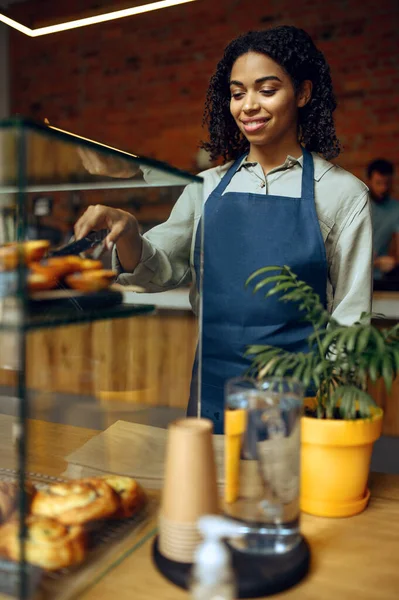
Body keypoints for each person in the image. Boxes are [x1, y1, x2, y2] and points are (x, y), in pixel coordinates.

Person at [75, 26, 373, 434]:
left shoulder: (342, 193)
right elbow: (160, 268)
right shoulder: (206, 187)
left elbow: (351, 320)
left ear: (303, 94)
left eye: (266, 90)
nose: (248, 105)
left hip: (302, 398)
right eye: (237, 93)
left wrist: (332, 412)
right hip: (213, 392)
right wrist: (127, 232)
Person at [367, 159, 399, 278]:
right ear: (369, 181)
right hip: (353, 273)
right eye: (378, 183)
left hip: (379, 276)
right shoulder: (358, 206)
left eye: (387, 183)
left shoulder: (396, 209)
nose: (383, 188)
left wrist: (393, 261)